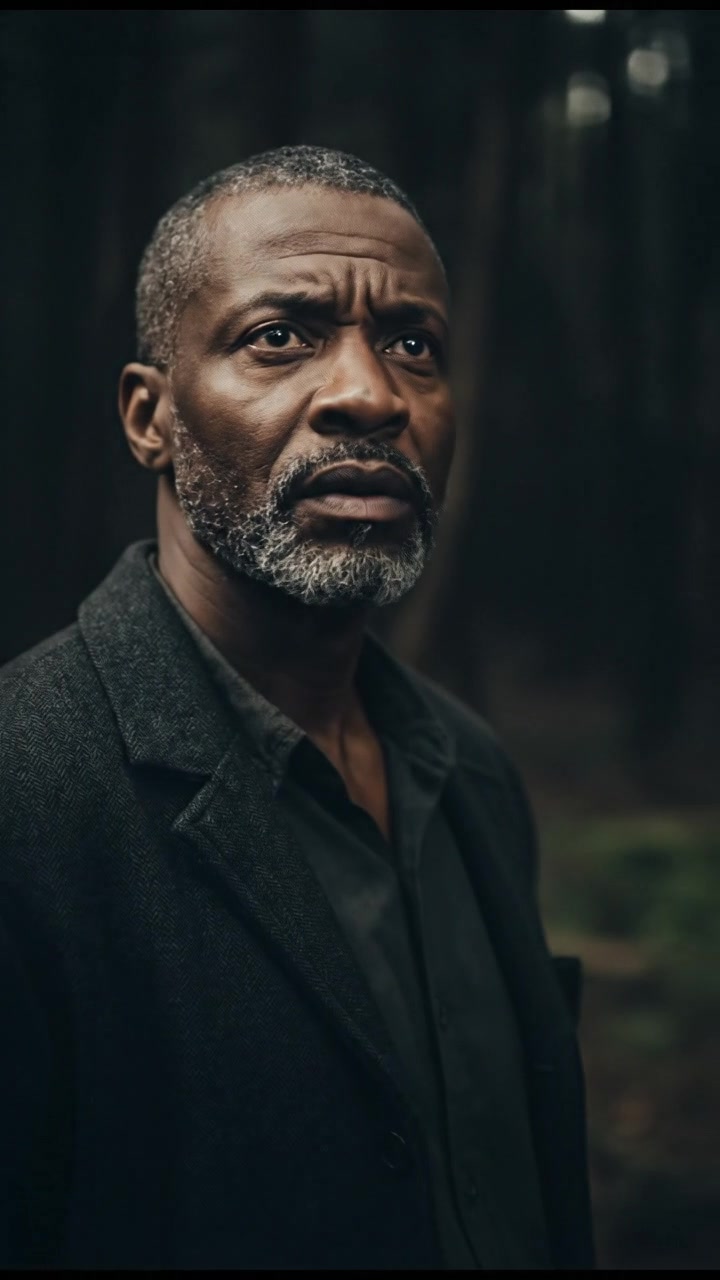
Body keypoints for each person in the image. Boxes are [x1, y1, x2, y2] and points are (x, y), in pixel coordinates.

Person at [0, 146, 593, 1270]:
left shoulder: (471, 772)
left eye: (414, 344)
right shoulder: (24, 796)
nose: (370, 395)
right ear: (150, 416)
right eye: (281, 336)